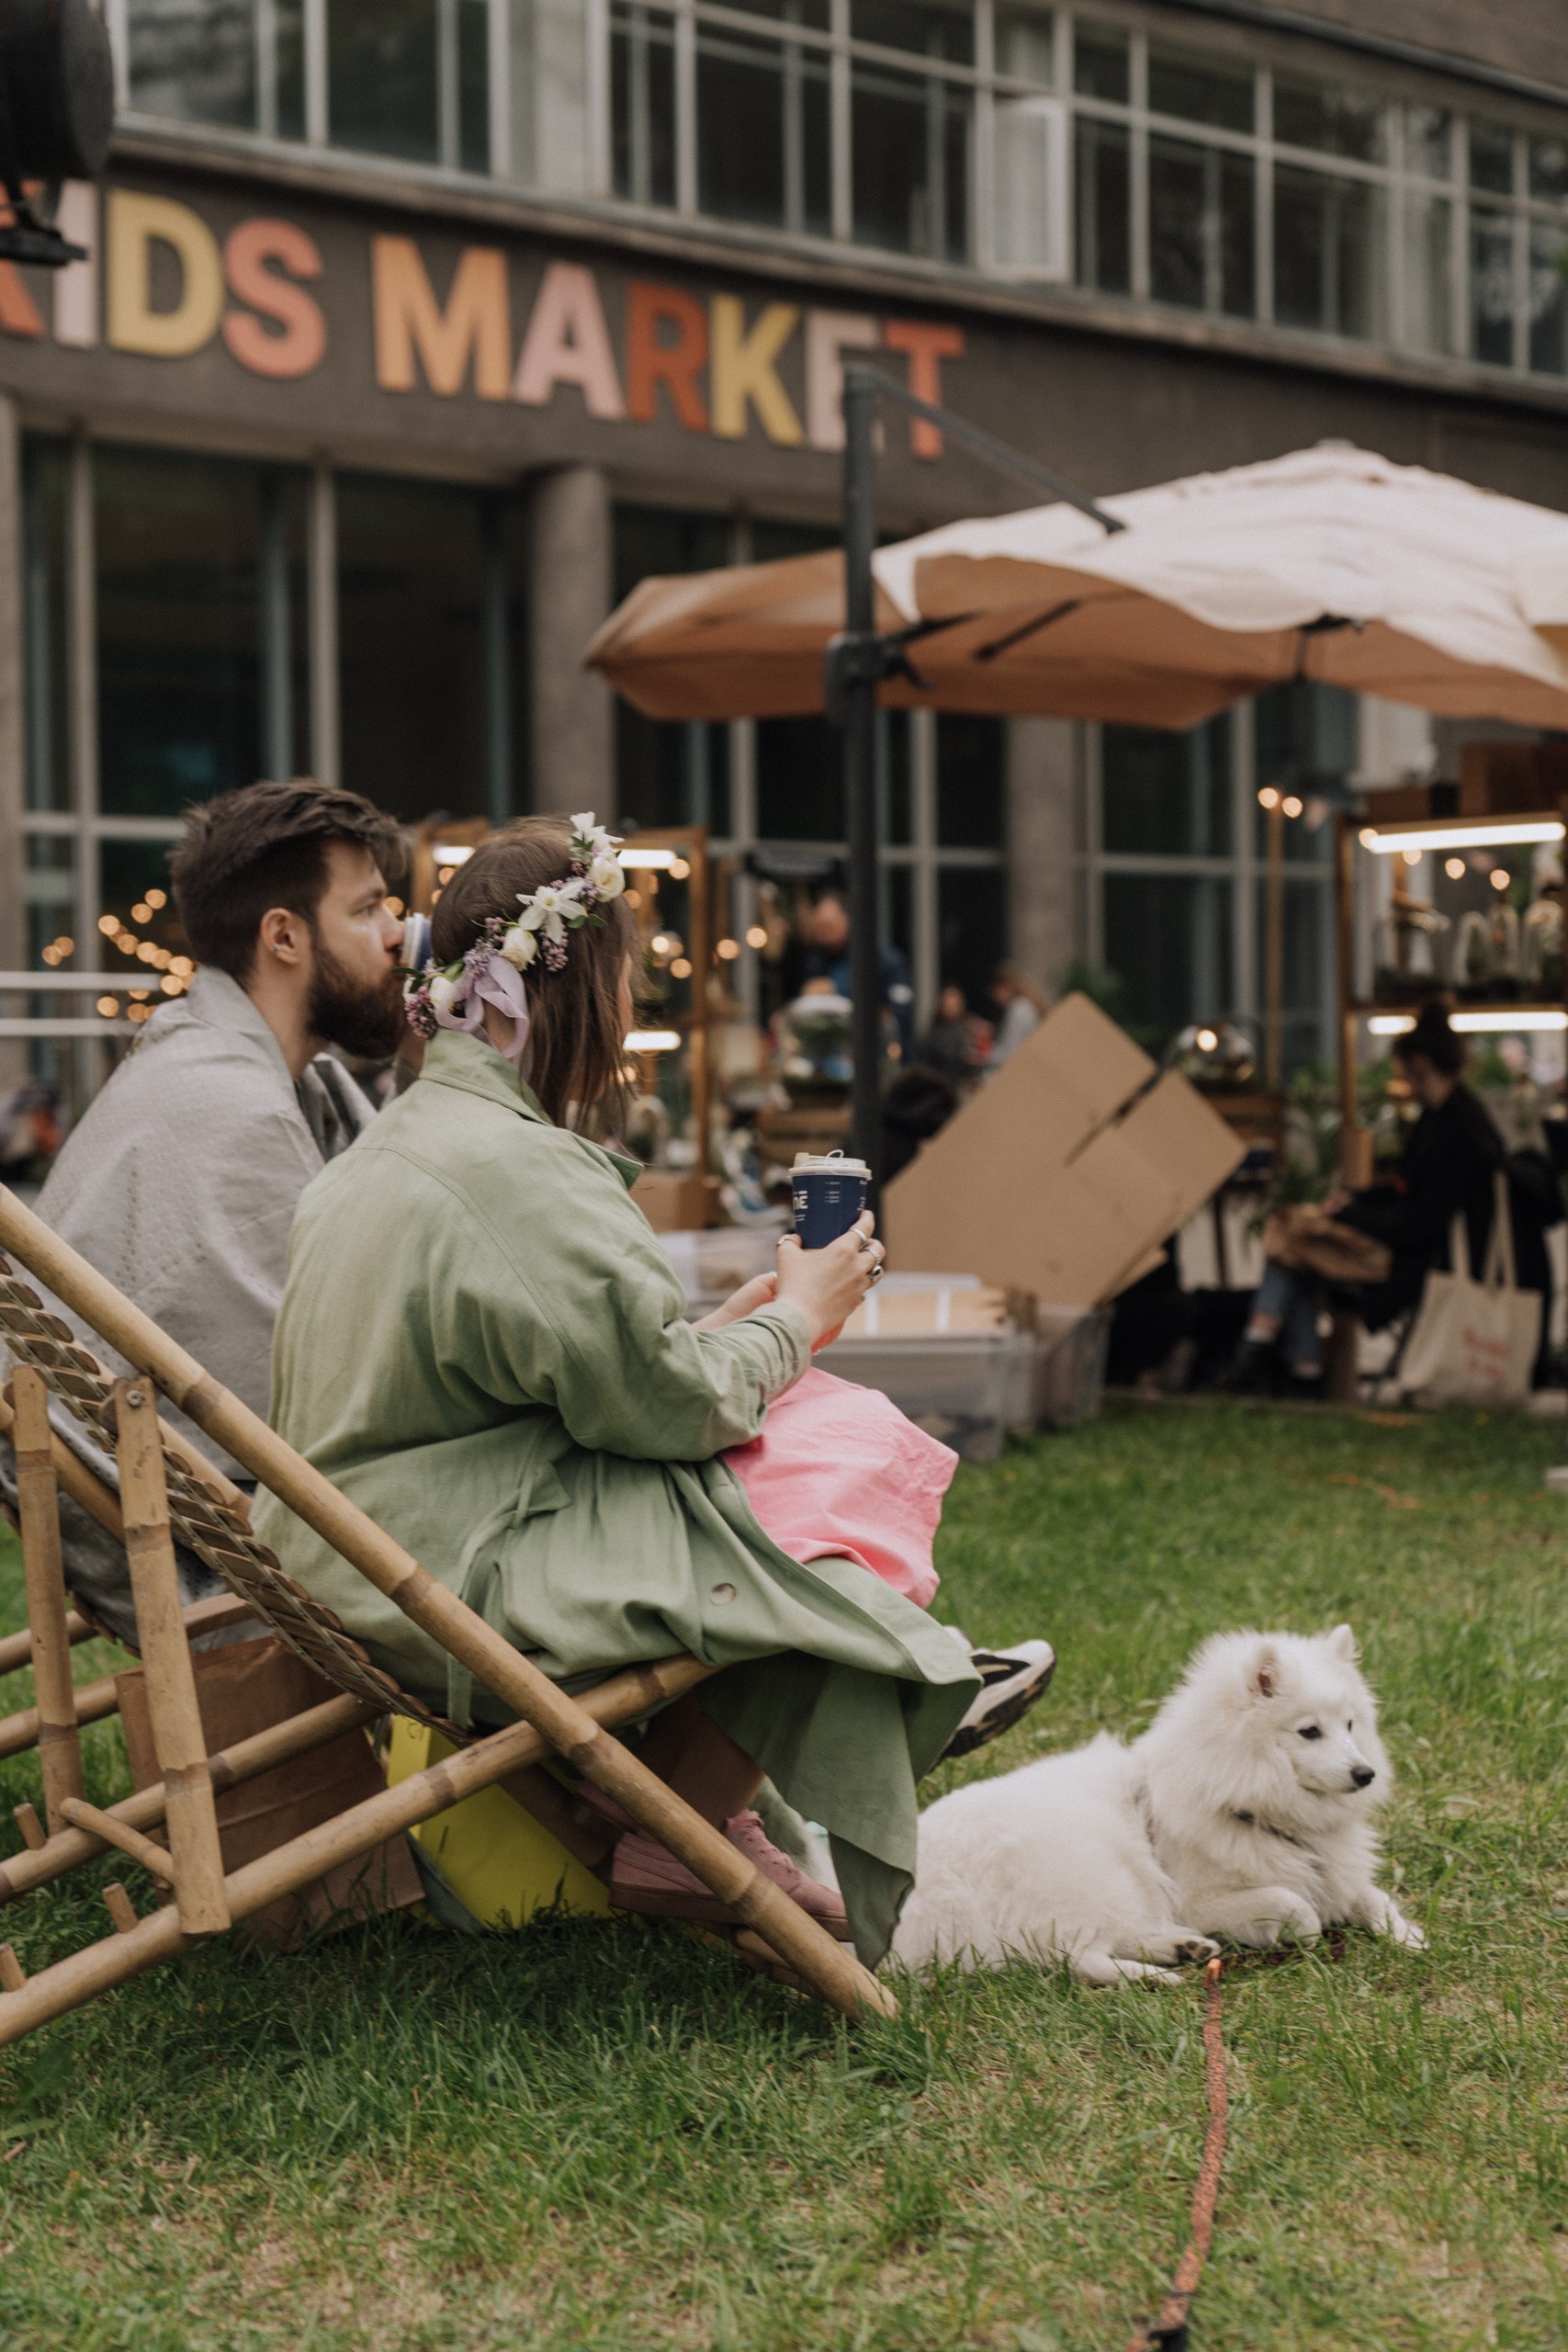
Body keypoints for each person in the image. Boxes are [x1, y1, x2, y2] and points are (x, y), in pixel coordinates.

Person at [253, 815, 1025, 1964]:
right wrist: (800, 1317)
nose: (625, 1017)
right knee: (845, 1450)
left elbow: (525, 1371)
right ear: (568, 990)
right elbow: (667, 1409)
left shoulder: (390, 1146)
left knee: (800, 1433)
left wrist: (735, 1330)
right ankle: (684, 1810)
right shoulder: (520, 1167)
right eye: (623, 985)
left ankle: (703, 1782)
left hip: (352, 1556)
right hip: (448, 1583)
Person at [3, 779, 408, 1641]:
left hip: (170, 1527)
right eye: (368, 908)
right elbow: (336, 1408)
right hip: (216, 1567)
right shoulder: (233, 1113)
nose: (397, 933)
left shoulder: (213, 1065)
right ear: (283, 936)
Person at [1226, 1004, 1509, 1394]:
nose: (1398, 1077)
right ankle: (1298, 1369)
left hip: (1419, 1264)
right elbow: (1409, 1193)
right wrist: (1353, 1202)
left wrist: (1351, 1214)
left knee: (1292, 1250)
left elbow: (1418, 1220)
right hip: (1413, 1249)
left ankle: (1265, 1356)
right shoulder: (1447, 1118)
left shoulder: (1457, 1133)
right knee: (1295, 1251)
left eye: (1401, 1067)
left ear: (1419, 1063)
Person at [800, 889, 915, 1058]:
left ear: (848, 919)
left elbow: (900, 1017)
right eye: (820, 928)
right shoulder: (817, 962)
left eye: (829, 926)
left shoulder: (885, 961)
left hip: (880, 1058)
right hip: (835, 1060)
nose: (824, 935)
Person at [920, 984, 990, 1089]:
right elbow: (945, 1059)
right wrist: (966, 1059)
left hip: (961, 1084)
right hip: (940, 1084)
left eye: (954, 1004)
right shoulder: (935, 1032)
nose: (951, 1008)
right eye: (948, 1004)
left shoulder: (965, 1027)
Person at [987, 964, 1049, 1069]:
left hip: (1020, 1067)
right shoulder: (1026, 1005)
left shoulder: (1018, 1009)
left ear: (1003, 988)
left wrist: (984, 1056)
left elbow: (1010, 1051)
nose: (995, 999)